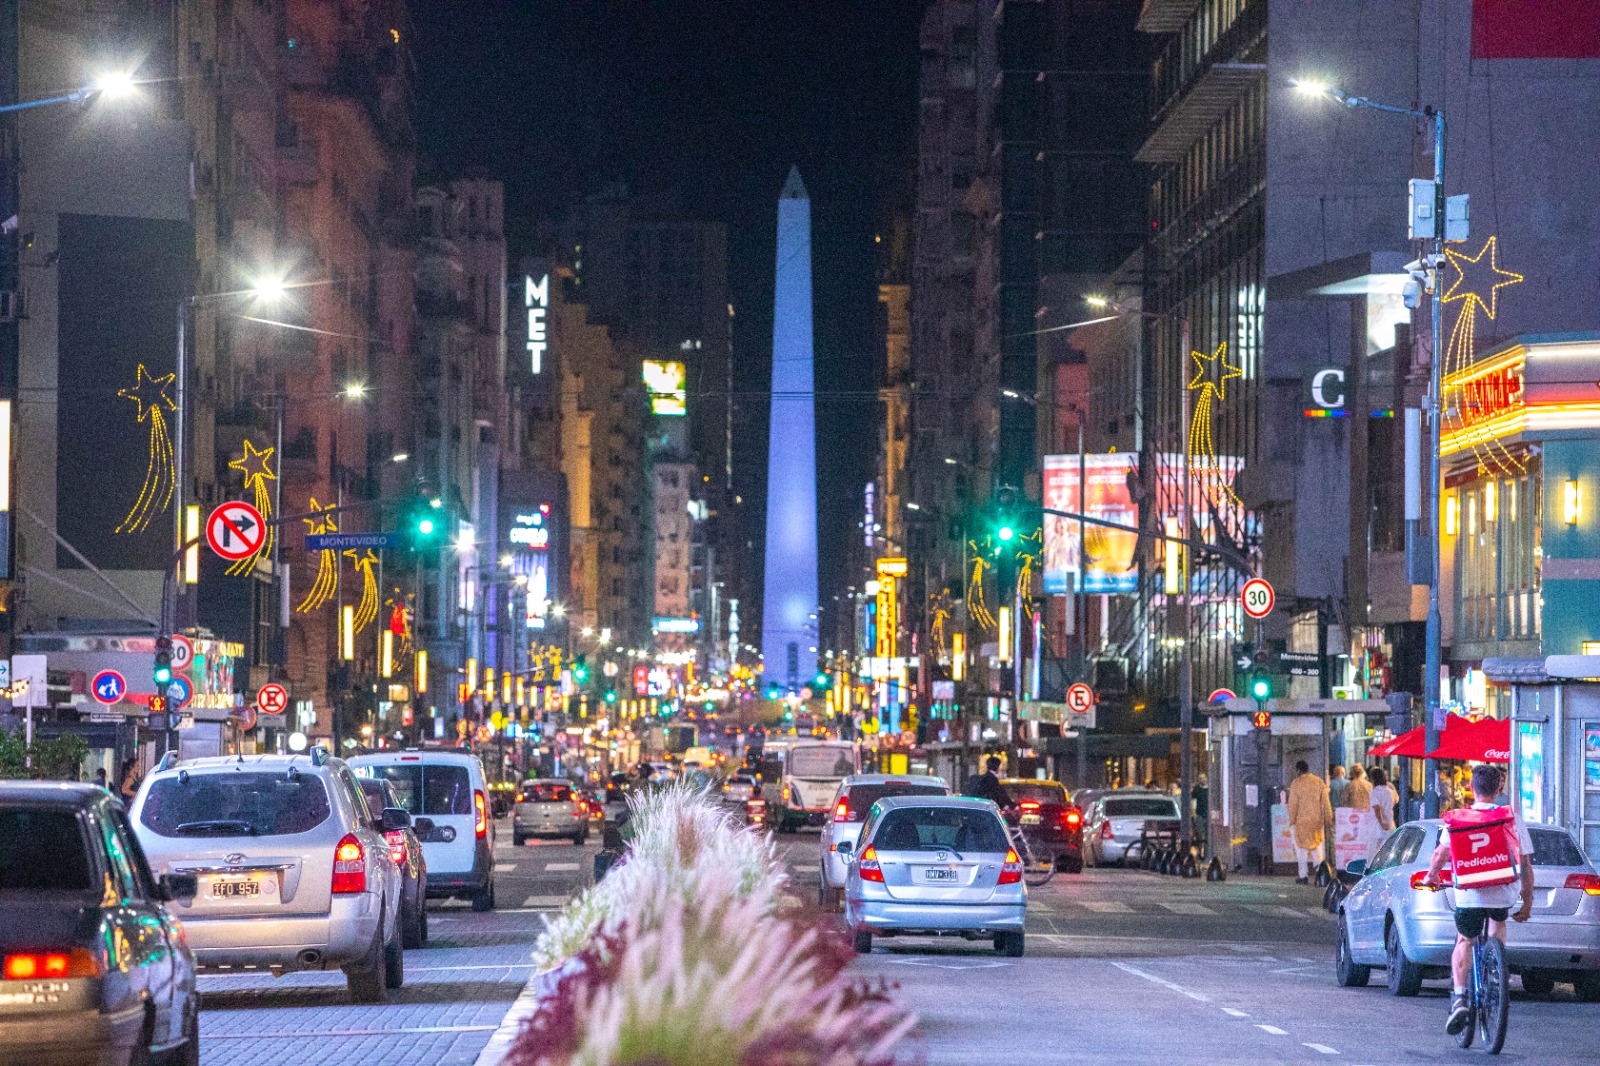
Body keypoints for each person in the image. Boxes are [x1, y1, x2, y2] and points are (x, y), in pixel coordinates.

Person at [1423, 763, 1533, 1035]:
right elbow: (1526, 866)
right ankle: (1496, 970)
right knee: (1498, 922)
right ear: (1499, 789)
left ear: (1471, 788)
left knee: (1464, 939)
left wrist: (1431, 876)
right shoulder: (1511, 819)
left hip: (1470, 894)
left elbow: (1440, 856)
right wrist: (1527, 903)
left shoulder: (1459, 819)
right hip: (1503, 892)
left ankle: (1459, 997)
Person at [1286, 759, 1333, 884]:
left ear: (1298, 770)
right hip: (1316, 821)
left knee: (1301, 849)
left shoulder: (1296, 783)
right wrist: (1328, 818)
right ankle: (1320, 875)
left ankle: (1303, 876)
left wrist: (1291, 820)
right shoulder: (1318, 781)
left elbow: (1293, 804)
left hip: (1301, 821)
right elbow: (1325, 802)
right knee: (1317, 848)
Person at [1368, 766, 1398, 832]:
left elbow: (1377, 808)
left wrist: (1382, 823)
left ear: (1373, 779)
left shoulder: (1374, 792)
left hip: (1377, 827)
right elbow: (1396, 800)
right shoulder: (1390, 791)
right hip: (1390, 824)